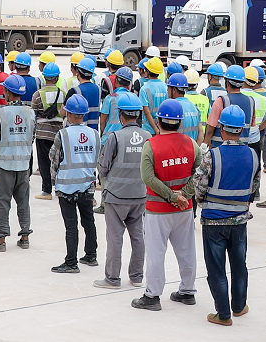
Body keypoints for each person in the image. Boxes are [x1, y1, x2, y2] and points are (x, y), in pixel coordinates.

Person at [133, 98, 203, 311]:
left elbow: (148, 178)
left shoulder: (151, 146)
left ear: (158, 120)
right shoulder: (191, 144)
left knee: (156, 253)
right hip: (184, 209)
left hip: (158, 211)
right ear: (180, 122)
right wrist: (183, 195)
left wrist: (171, 196)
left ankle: (152, 296)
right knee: (187, 251)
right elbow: (199, 174)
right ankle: (187, 291)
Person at [196, 104, 259, 326]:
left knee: (216, 268)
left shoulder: (212, 156)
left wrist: (203, 202)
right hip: (240, 220)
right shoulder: (253, 155)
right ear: (241, 130)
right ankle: (239, 306)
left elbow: (199, 186)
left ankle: (223, 314)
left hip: (213, 220)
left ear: (221, 129)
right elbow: (254, 187)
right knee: (239, 264)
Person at [94, 93, 150, 289]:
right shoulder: (148, 137)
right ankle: (137, 276)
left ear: (120, 115)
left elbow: (103, 166)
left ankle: (112, 278)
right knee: (138, 237)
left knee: (115, 238)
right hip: (140, 195)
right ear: (138, 114)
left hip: (116, 196)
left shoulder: (115, 137)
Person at [49, 95, 99, 273]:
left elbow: (54, 159)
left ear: (69, 114)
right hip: (87, 186)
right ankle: (91, 255)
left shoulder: (63, 134)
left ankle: (71, 263)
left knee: (71, 226)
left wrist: (54, 182)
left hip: (67, 187)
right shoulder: (94, 134)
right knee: (89, 221)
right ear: (84, 115)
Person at [0, 74, 35, 252]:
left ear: (7, 92)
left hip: (4, 165)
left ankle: (0, 241)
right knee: (23, 202)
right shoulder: (31, 113)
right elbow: (31, 138)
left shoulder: (1, 113)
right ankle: (25, 237)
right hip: (23, 165)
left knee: (2, 202)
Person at [33, 62, 67, 200]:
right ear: (57, 77)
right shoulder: (63, 94)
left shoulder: (37, 95)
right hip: (58, 133)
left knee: (44, 162)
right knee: (58, 160)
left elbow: (34, 114)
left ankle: (46, 191)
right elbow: (65, 113)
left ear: (44, 77)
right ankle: (59, 188)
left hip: (42, 134)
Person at [203, 65, 255, 148]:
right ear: (242, 84)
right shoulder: (251, 101)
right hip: (242, 147)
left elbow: (210, 128)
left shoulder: (221, 100)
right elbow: (252, 124)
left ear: (227, 83)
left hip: (220, 147)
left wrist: (205, 143)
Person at [63, 56, 101, 131]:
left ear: (78, 73)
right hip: (93, 131)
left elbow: (63, 112)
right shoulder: (99, 89)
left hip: (76, 131)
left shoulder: (74, 91)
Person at [137, 57, 167, 133]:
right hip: (163, 127)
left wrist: (155, 129)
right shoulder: (165, 86)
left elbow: (146, 112)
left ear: (147, 71)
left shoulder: (144, 89)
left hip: (148, 129)